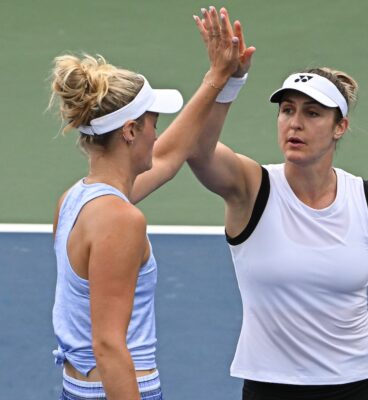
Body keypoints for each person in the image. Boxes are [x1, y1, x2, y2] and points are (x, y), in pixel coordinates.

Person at [186, 6, 368, 400]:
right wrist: (226, 82)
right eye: (287, 110)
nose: (294, 123)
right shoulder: (252, 188)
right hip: (273, 389)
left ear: (340, 127)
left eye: (312, 113)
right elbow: (197, 151)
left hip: (363, 387)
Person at [49, 7, 247, 398]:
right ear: (130, 131)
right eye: (154, 123)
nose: (157, 136)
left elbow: (175, 152)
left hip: (82, 389)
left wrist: (223, 79)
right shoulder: (121, 219)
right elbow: (108, 346)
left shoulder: (76, 200)